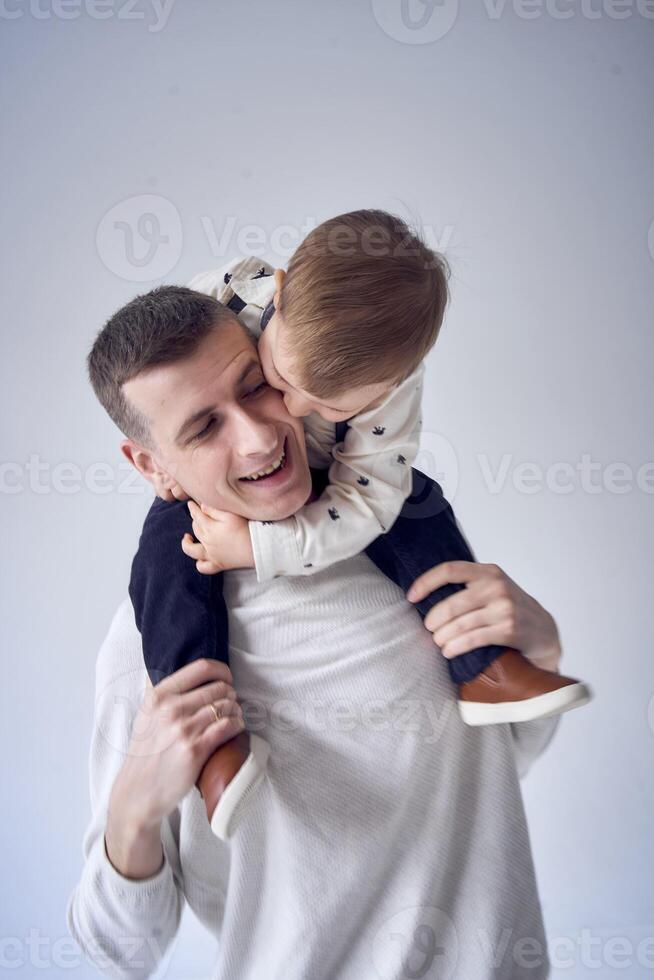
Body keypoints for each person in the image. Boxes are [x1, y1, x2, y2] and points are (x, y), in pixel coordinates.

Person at [67, 289, 568, 978]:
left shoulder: (405, 553)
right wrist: (133, 809)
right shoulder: (151, 654)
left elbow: (487, 779)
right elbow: (121, 951)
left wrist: (535, 647)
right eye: (203, 428)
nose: (259, 436)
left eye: (257, 388)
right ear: (152, 466)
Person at [127, 210, 591, 840]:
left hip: (349, 488)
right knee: (167, 549)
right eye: (275, 379)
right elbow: (171, 372)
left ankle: (485, 668)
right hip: (209, 503)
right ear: (279, 291)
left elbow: (369, 503)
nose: (286, 415)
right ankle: (210, 748)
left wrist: (263, 546)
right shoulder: (229, 295)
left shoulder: (391, 403)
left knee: (417, 504)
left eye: (327, 405)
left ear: (391, 384)